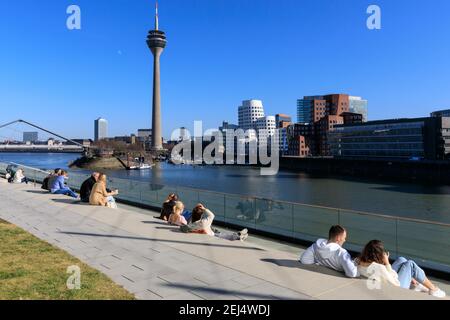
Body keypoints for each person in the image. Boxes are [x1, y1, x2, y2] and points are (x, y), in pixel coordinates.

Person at [357, 240, 446, 298]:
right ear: (378, 254)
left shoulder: (359, 261)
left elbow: (383, 275)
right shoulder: (379, 267)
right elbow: (396, 284)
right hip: (395, 290)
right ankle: (433, 289)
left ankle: (414, 281)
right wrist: (387, 263)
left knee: (401, 259)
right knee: (410, 264)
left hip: (382, 281)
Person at [180, 204, 248, 241]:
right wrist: (204, 208)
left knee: (224, 234)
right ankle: (239, 236)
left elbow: (184, 227)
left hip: (209, 234)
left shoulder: (191, 224)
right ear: (201, 214)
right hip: (211, 235)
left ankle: (238, 234)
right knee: (225, 236)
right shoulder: (203, 222)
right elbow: (212, 215)